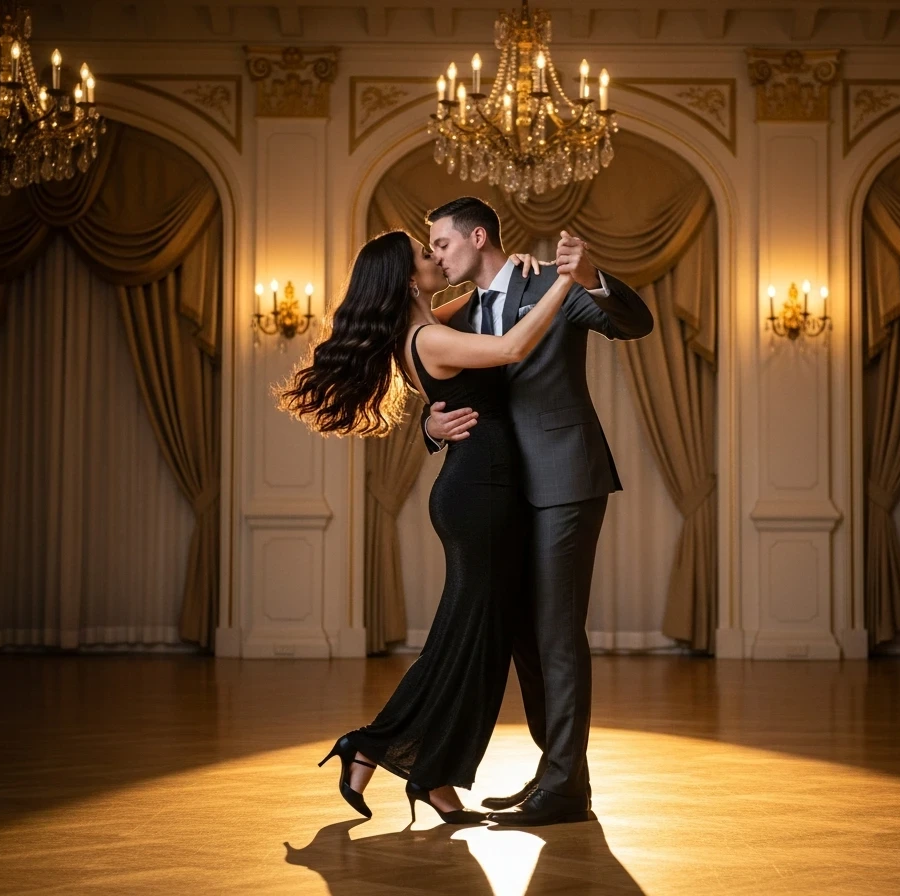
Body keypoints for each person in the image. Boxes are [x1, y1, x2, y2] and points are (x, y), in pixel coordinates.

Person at [276, 228, 576, 825]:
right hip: (479, 496)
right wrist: (565, 281)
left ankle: (434, 778)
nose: (437, 256)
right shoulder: (431, 337)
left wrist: (514, 270)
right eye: (426, 253)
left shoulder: (429, 322)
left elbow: (487, 298)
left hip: (479, 489)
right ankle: (372, 743)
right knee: (464, 643)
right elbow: (513, 346)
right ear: (410, 277)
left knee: (475, 645)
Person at [422, 197, 653, 826]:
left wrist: (592, 276)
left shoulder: (551, 280)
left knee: (556, 631)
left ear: (477, 236)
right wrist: (430, 421)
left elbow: (634, 323)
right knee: (523, 632)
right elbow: (445, 382)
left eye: (442, 244)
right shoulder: (460, 312)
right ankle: (560, 778)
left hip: (565, 477)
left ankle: (561, 788)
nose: (437, 256)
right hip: (500, 490)